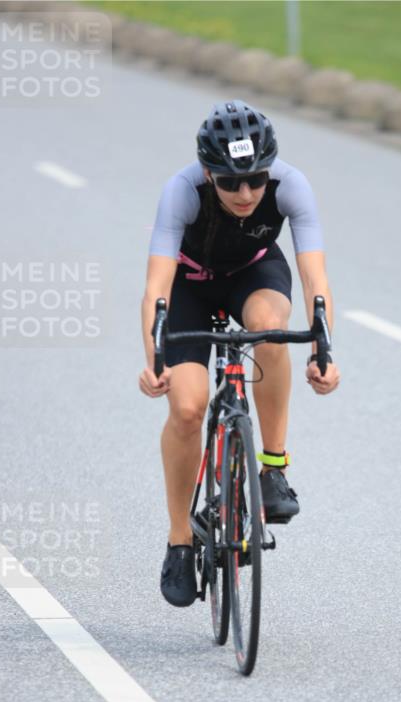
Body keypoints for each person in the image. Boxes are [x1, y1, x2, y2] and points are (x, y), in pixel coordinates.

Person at [139, 99, 340, 607]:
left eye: (255, 178)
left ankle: (272, 469)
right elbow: (156, 289)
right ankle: (180, 539)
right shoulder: (182, 191)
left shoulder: (291, 185)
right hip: (189, 286)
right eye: (229, 182)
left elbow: (316, 279)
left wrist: (324, 348)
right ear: (208, 172)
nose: (246, 192)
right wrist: (155, 360)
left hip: (253, 274)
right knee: (187, 408)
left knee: (270, 328)